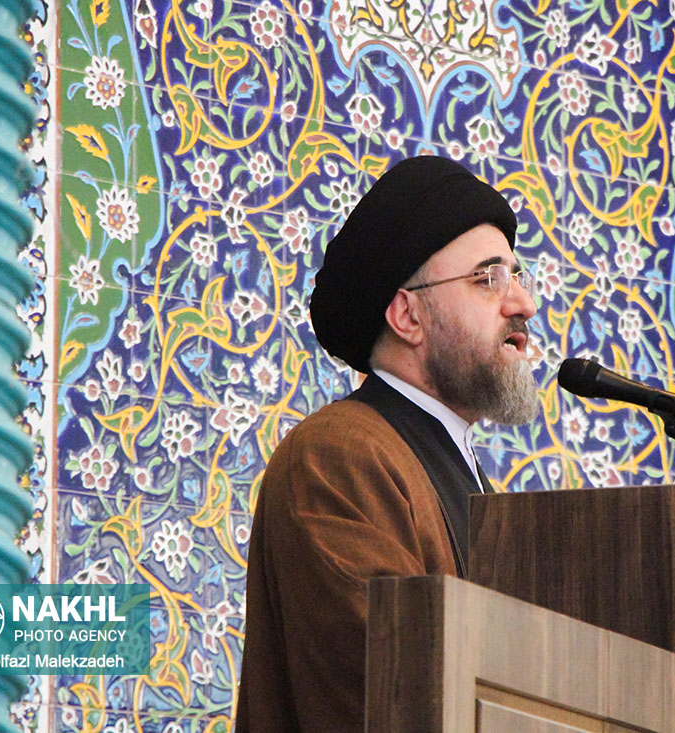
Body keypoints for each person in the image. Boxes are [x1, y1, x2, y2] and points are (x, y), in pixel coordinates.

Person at [236, 156, 540, 731]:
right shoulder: (337, 455)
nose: (522, 303)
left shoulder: (464, 472)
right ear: (407, 316)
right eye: (487, 279)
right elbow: (397, 687)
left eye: (518, 276)